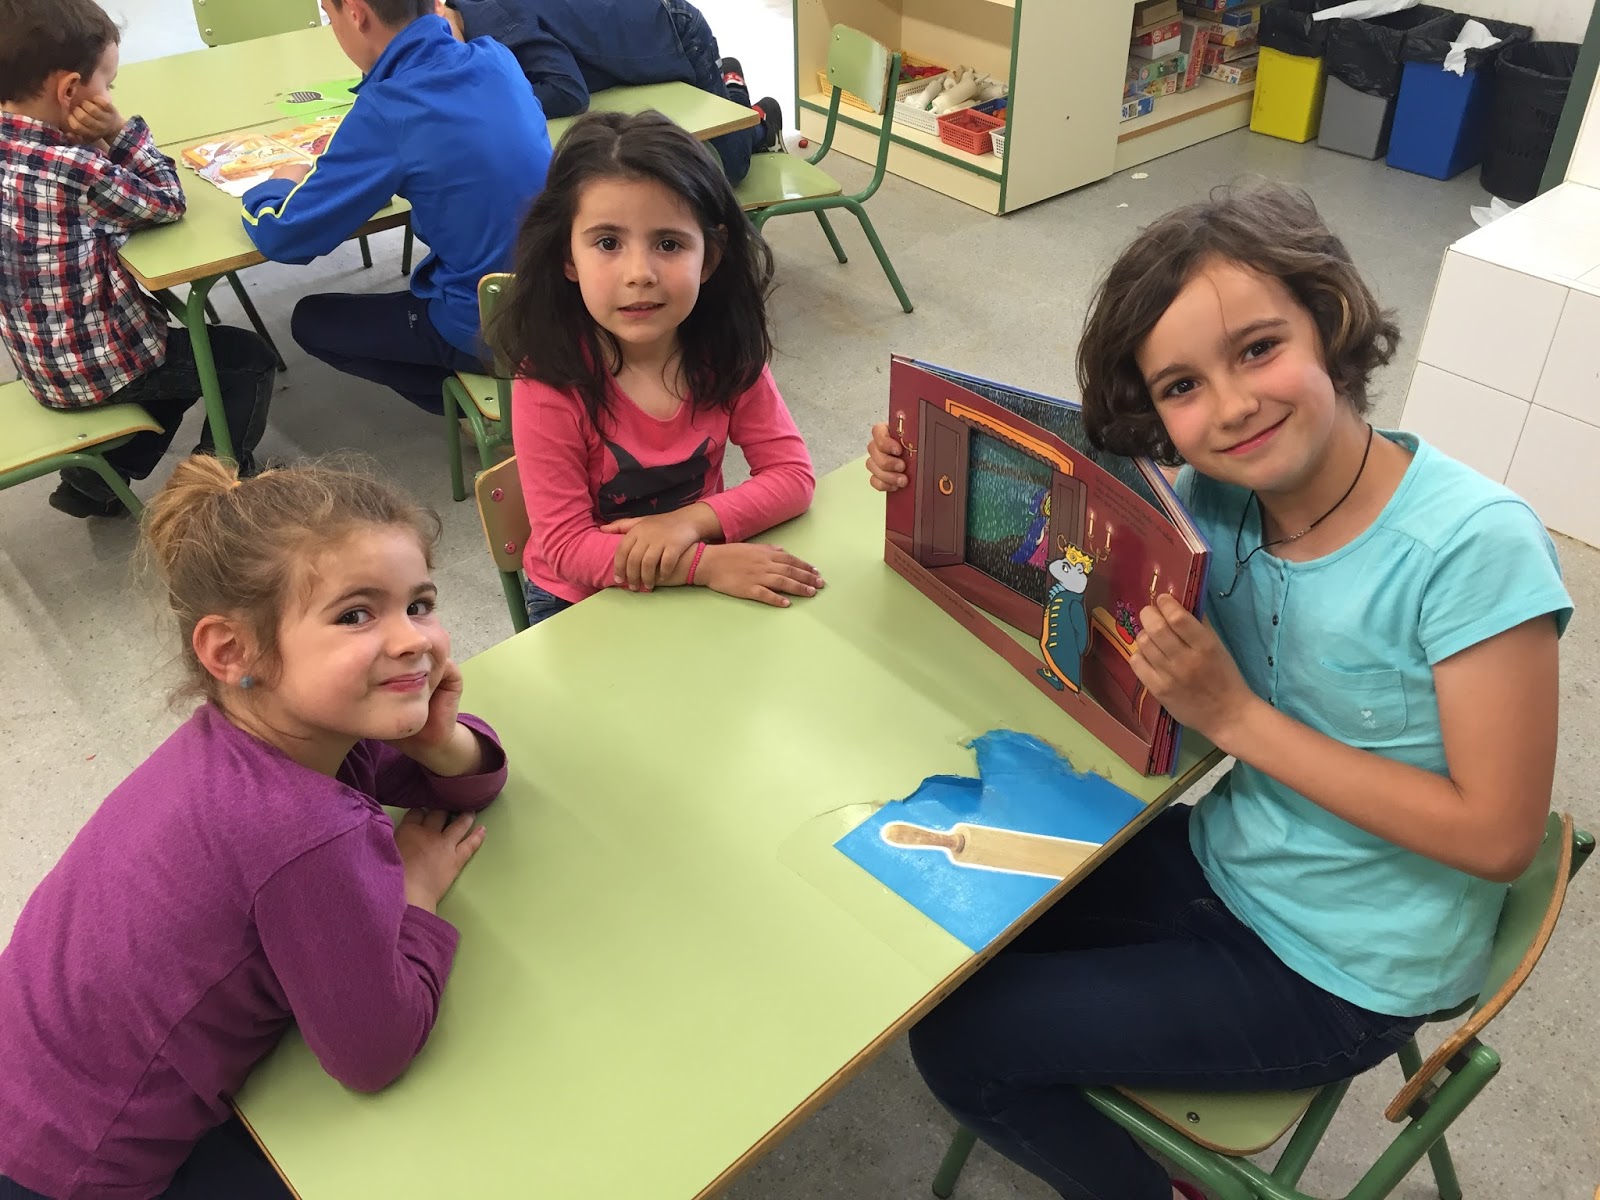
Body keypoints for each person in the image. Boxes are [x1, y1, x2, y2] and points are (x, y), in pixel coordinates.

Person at [865, 183, 1573, 1200]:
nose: (1233, 406)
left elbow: (1499, 836)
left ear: (1329, 322)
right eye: (1182, 386)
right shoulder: (1212, 499)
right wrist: (926, 473)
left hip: (1343, 969)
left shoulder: (1473, 547)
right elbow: (1052, 542)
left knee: (959, 1042)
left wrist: (1237, 718)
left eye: (1258, 348)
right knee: (946, 923)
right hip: (1228, 857)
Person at [0, 456, 508, 1200]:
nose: (413, 641)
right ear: (233, 651)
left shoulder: (266, 733)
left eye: (420, 603)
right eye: (356, 614)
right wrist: (416, 894)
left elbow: (474, 783)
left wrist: (438, 743)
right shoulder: (301, 829)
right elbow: (374, 1053)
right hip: (74, 1168)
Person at [487, 111, 819, 626]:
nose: (639, 274)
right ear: (567, 258)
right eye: (607, 243)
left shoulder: (726, 350)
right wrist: (701, 565)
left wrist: (687, 523)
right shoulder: (550, 381)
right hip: (581, 597)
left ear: (710, 257)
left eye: (669, 244)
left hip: (695, 563)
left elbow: (792, 475)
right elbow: (567, 547)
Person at [0, 0, 274, 517]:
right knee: (246, 360)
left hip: (41, 366)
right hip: (99, 367)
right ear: (70, 90)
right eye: (109, 83)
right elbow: (168, 201)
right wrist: (119, 132)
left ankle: (93, 483)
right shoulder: (75, 167)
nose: (111, 94)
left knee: (175, 373)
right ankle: (219, 484)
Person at [241, 0, 552, 414]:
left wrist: (276, 185)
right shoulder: (497, 58)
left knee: (310, 320)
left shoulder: (387, 109)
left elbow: (283, 236)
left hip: (486, 327)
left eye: (329, 16)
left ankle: (467, 405)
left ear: (356, 13)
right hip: (563, 303)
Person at [438, 0, 781, 183]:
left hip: (675, 30)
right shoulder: (469, 17)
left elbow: (568, 92)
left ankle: (750, 105)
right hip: (622, 50)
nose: (442, 58)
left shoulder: (496, 23)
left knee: (730, 167)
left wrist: (494, 105)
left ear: (438, 6)